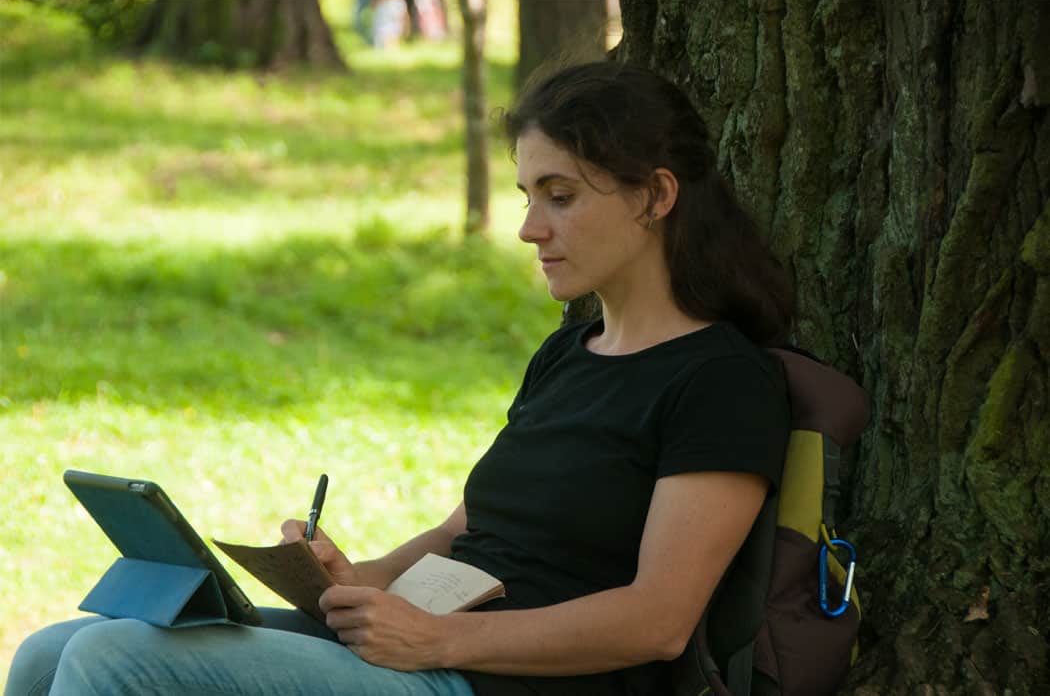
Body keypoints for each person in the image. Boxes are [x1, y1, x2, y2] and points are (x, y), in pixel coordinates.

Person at [5, 62, 794, 696]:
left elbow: (656, 621)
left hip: (496, 677)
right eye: (527, 196)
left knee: (116, 662)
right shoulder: (570, 353)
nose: (528, 228)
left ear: (656, 196)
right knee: (52, 653)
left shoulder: (719, 381)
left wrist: (441, 639)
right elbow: (463, 533)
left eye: (562, 197)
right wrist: (362, 580)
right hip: (432, 648)